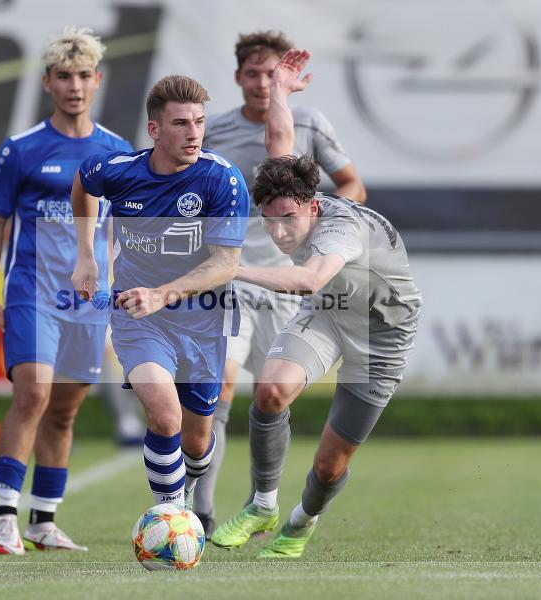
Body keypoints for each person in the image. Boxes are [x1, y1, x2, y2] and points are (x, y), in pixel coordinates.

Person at [211, 50, 422, 558]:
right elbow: (279, 138)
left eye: (288, 218)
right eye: (269, 219)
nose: (279, 230)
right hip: (330, 312)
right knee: (269, 391)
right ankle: (261, 503)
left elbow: (307, 280)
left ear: (312, 205)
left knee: (330, 467)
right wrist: (280, 91)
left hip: (382, 331)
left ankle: (301, 522)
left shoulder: (340, 230)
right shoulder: (290, 186)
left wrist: (232, 268)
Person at [194, 30, 367, 537]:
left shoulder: (308, 122)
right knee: (218, 386)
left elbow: (351, 183)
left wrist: (335, 231)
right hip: (228, 277)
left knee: (273, 395)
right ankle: (200, 512)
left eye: (272, 74)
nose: (263, 82)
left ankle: (258, 501)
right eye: (254, 73)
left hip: (288, 280)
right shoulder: (215, 131)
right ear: (238, 77)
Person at [0, 26, 132, 555]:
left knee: (64, 411)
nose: (75, 86)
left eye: (84, 75)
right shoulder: (22, 148)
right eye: (64, 76)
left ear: (98, 80)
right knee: (34, 393)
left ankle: (43, 520)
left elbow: (123, 231)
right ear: (48, 82)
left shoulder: (116, 151)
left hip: (88, 300)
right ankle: (3, 516)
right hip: (31, 291)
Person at [71, 75, 249, 510]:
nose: (193, 134)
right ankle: (171, 518)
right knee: (164, 414)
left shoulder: (220, 179)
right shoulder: (115, 170)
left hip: (204, 320)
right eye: (181, 124)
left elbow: (226, 264)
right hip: (141, 318)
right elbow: (83, 187)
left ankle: (186, 491)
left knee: (196, 440)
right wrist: (86, 255)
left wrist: (164, 293)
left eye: (199, 123)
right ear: (154, 129)